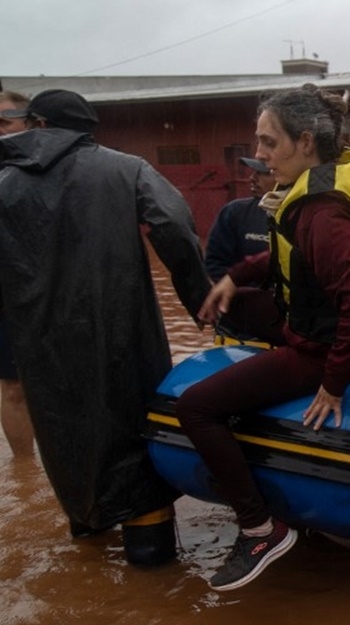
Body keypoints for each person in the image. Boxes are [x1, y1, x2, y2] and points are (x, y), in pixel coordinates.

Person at [175, 84, 350, 591]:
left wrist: (335, 384)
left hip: (331, 352)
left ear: (304, 142)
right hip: (320, 330)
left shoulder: (324, 214)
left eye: (268, 143)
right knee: (238, 307)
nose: (258, 155)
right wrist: (235, 276)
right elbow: (290, 254)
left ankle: (259, 529)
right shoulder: (324, 183)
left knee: (195, 408)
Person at [0, 89, 210, 565]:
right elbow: (174, 226)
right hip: (123, 332)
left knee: (66, 443)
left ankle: (87, 539)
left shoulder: (5, 183)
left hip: (41, 345)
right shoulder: (125, 168)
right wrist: (200, 301)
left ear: (36, 124)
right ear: (87, 130)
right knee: (135, 440)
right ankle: (151, 563)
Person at [0, 90, 35, 458]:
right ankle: (26, 472)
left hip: (54, 290)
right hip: (7, 293)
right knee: (13, 386)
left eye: (5, 122)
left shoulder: (52, 165)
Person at [205, 157, 273, 282]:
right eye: (254, 172)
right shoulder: (234, 212)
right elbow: (215, 262)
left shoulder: (302, 214)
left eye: (264, 173)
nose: (252, 178)